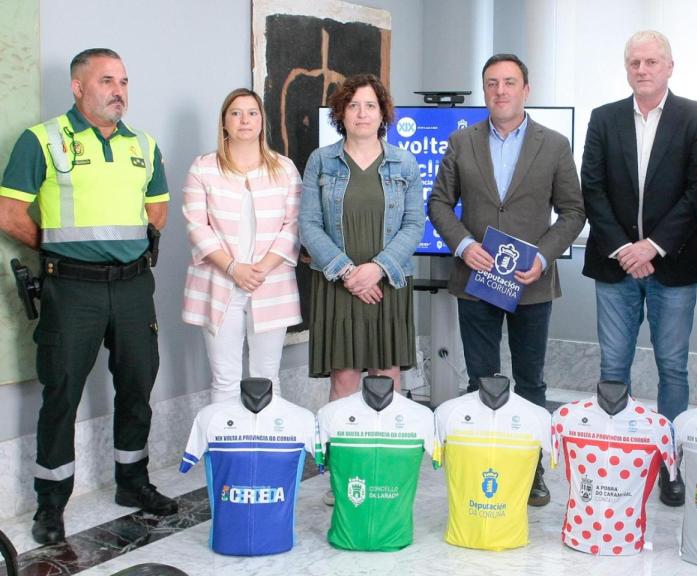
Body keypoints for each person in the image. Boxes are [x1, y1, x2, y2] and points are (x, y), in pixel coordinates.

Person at [0, 48, 178, 545]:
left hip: (132, 287)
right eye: (106, 81)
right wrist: (62, 246)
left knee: (138, 385)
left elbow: (157, 211)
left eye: (123, 80)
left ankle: (133, 483)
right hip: (70, 287)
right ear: (78, 87)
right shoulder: (43, 140)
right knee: (61, 394)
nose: (118, 90)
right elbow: (10, 212)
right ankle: (51, 504)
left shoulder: (143, 144)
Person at [428, 53, 585, 507]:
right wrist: (463, 245)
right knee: (482, 377)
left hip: (531, 282)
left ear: (526, 90)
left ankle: (532, 471)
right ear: (484, 90)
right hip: (476, 279)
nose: (500, 90)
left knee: (531, 381)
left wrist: (544, 256)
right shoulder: (462, 142)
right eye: (492, 83)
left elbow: (573, 211)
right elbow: (439, 204)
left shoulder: (553, 144)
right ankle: (486, 460)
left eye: (509, 82)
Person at [580, 30, 697, 506]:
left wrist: (652, 247)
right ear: (626, 68)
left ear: (670, 66)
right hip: (616, 265)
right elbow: (591, 188)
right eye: (634, 62)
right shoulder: (604, 118)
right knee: (613, 365)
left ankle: (670, 463)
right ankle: (616, 457)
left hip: (674, 263)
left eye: (651, 61)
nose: (642, 69)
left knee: (672, 368)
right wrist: (625, 248)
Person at [299, 74, 423, 400]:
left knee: (387, 377)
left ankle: (386, 452)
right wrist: (349, 273)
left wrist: (377, 269)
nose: (362, 113)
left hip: (388, 283)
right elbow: (309, 224)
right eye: (354, 106)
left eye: (371, 105)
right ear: (341, 113)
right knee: (344, 378)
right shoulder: (321, 161)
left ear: (383, 114)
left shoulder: (404, 162)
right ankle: (340, 452)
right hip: (338, 283)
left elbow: (414, 224)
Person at [181, 88, 302, 404]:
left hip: (270, 282)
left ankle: (267, 452)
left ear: (262, 121)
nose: (244, 120)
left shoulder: (284, 168)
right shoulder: (204, 168)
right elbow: (197, 226)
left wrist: (261, 268)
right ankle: (224, 453)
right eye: (235, 113)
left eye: (252, 113)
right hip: (220, 282)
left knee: (267, 377)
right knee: (225, 380)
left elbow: (293, 225)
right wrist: (234, 268)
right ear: (224, 123)